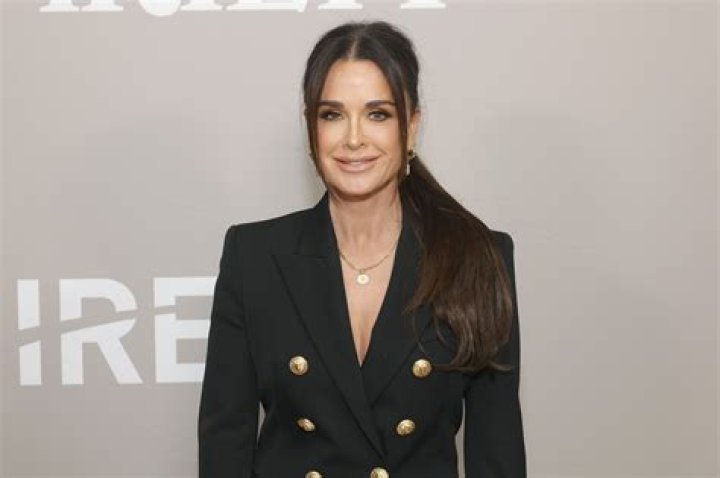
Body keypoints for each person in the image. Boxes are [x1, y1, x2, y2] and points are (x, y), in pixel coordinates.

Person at [198, 20, 526, 478]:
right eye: (332, 115)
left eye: (378, 114)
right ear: (311, 128)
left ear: (412, 126)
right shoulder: (253, 258)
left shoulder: (477, 258)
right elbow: (224, 447)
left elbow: (498, 454)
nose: (353, 138)